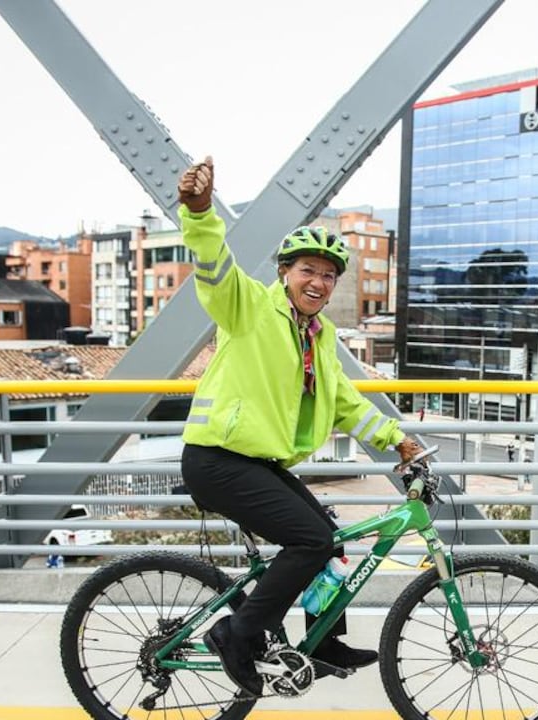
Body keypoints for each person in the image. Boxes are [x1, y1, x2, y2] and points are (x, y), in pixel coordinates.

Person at [175, 156, 424, 696]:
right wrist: (199, 212)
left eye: (328, 275)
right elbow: (214, 268)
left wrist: (396, 439)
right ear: (284, 272)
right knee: (309, 541)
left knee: (327, 540)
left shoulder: (321, 336)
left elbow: (342, 403)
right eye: (307, 270)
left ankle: (324, 639)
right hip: (216, 457)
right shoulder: (249, 310)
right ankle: (238, 636)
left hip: (254, 462)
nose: (318, 281)